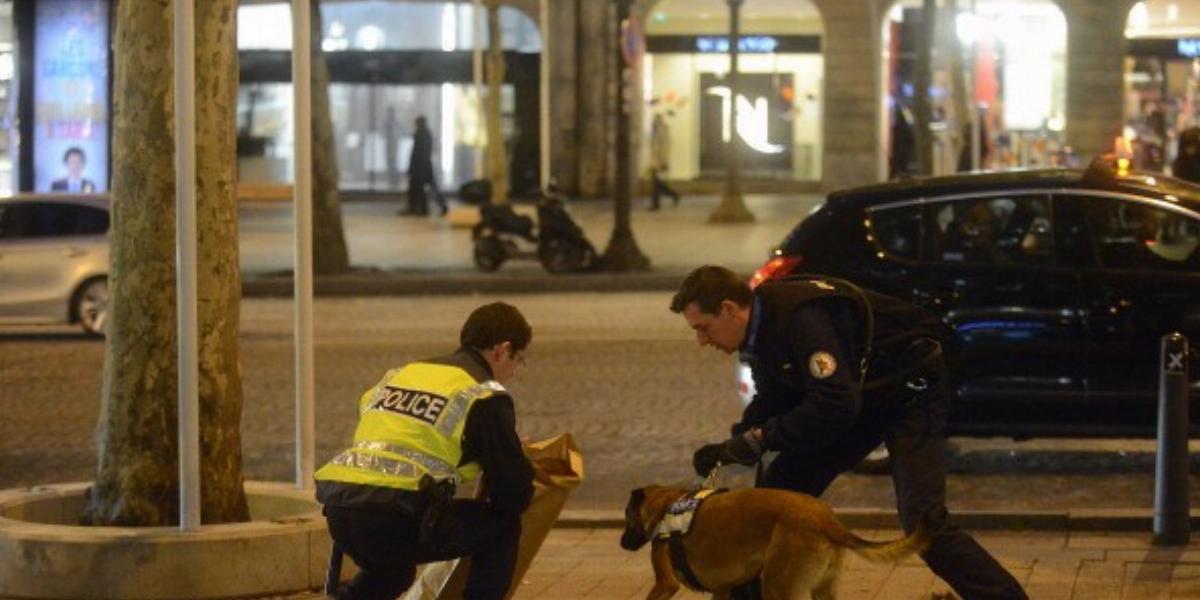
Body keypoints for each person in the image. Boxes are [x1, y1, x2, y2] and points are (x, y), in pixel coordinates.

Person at [671, 266, 1029, 600]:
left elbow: (833, 403)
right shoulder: (761, 330)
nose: (702, 340)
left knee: (924, 521)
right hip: (865, 396)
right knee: (775, 496)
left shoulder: (801, 319)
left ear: (730, 309)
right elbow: (776, 396)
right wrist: (732, 445)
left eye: (703, 327)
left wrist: (761, 439)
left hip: (911, 395)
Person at [315, 302, 535, 600]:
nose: (514, 372)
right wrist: (511, 455)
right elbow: (514, 495)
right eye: (518, 360)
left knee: (392, 573)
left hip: (340, 511)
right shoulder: (483, 394)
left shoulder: (401, 374)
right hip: (395, 518)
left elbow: (406, 437)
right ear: (502, 350)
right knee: (501, 529)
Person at [401, 116, 447, 217]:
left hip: (420, 167)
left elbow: (416, 153)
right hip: (425, 165)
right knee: (427, 187)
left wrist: (412, 168)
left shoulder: (421, 134)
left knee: (418, 188)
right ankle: (424, 208)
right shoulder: (425, 134)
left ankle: (420, 208)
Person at [648, 113, 680, 211]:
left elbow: (665, 147)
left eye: (656, 120)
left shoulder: (662, 131)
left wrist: (664, 161)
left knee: (656, 183)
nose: (654, 122)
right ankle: (673, 196)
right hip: (655, 161)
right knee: (657, 183)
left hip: (659, 161)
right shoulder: (656, 131)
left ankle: (658, 203)